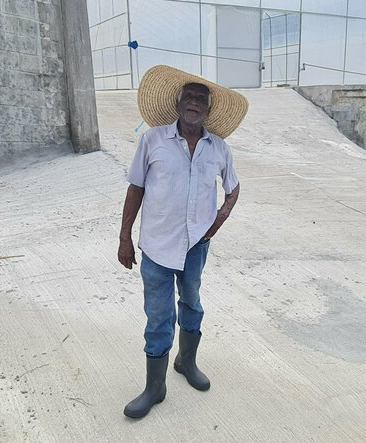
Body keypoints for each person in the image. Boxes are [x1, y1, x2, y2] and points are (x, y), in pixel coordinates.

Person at [118, 65, 248, 418]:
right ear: (178, 104)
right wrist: (124, 235)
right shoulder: (152, 140)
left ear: (207, 109)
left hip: (195, 247)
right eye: (188, 97)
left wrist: (216, 223)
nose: (194, 103)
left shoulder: (219, 148)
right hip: (157, 246)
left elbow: (233, 189)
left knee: (191, 304)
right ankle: (155, 388)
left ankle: (185, 363)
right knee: (158, 315)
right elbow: (136, 187)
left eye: (200, 100)